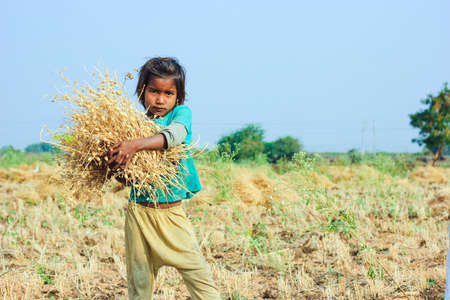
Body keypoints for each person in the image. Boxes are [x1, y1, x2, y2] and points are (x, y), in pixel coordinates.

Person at [106, 57, 221, 300]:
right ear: (142, 91)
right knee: (139, 284)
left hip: (171, 216)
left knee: (199, 278)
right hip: (139, 214)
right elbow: (130, 178)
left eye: (168, 93)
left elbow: (174, 135)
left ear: (177, 97)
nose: (160, 99)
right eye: (154, 91)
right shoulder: (135, 125)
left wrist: (136, 145)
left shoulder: (180, 115)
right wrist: (116, 165)